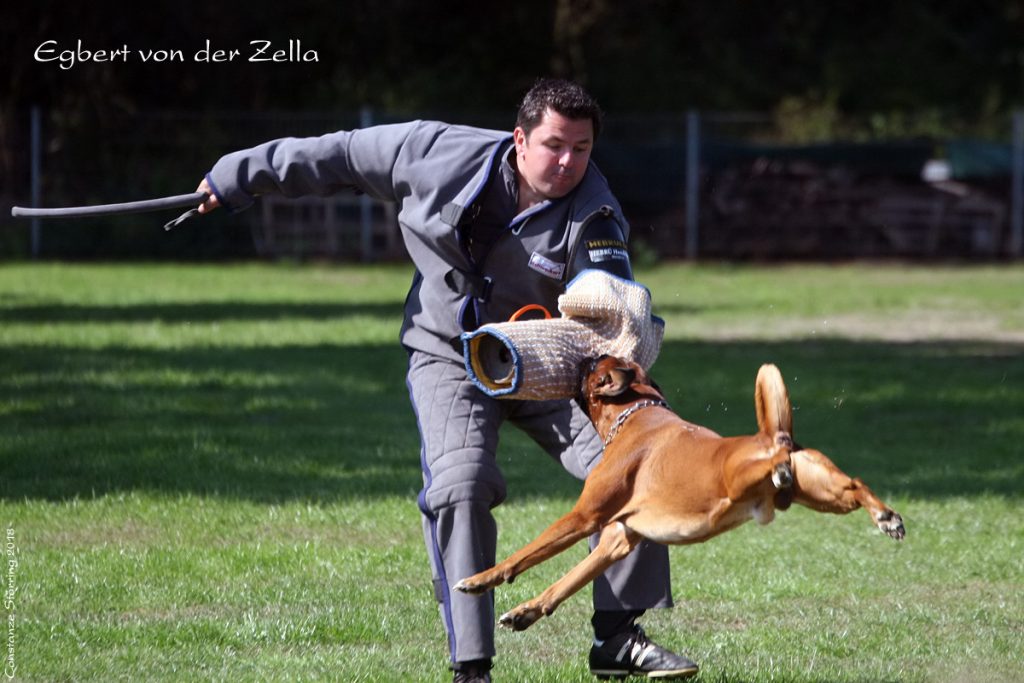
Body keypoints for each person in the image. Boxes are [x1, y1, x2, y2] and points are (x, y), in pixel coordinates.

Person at [195, 78, 698, 682]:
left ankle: (617, 639)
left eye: (582, 148)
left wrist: (618, 311)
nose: (568, 162)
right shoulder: (432, 151)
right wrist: (236, 176)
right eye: (554, 145)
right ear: (519, 139)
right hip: (448, 355)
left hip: (554, 364)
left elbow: (610, 298)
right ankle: (472, 666)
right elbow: (339, 155)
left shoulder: (597, 211)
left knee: (638, 469)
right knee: (461, 484)